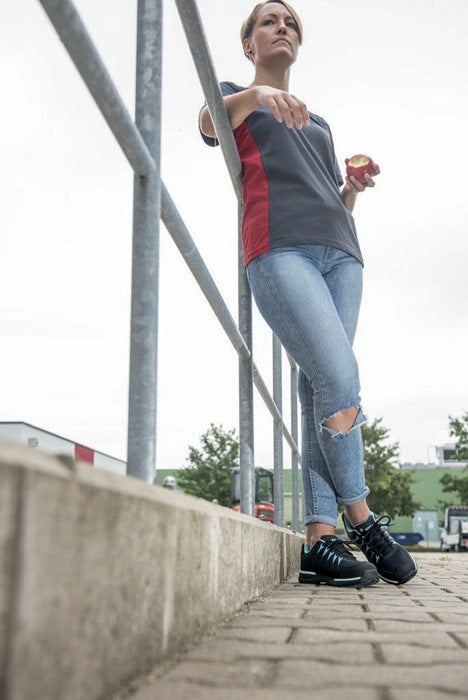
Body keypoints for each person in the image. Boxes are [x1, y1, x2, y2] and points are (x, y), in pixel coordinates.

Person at [199, 0, 417, 587]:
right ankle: (362, 517)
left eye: (291, 22)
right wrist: (257, 97)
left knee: (320, 385)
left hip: (341, 253)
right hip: (280, 248)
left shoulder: (315, 121)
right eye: (269, 21)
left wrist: (350, 189)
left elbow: (324, 191)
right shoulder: (237, 97)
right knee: (341, 378)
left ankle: (320, 540)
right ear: (249, 43)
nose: (283, 28)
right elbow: (208, 124)